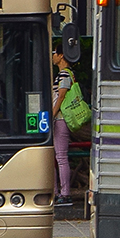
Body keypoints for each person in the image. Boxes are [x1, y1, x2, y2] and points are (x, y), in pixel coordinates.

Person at [49, 49, 74, 201]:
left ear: (61, 55)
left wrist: (53, 113)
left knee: (61, 156)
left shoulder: (64, 74)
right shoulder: (64, 74)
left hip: (61, 118)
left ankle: (65, 193)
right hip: (59, 118)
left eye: (54, 53)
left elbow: (62, 95)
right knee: (57, 156)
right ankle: (57, 191)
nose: (52, 57)